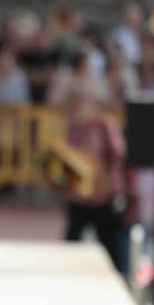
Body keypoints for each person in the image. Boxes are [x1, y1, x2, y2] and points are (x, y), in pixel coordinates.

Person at [60, 87, 131, 274]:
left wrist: (108, 179)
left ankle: (116, 276)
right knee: (72, 240)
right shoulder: (72, 126)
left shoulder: (103, 125)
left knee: (108, 242)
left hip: (102, 196)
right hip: (79, 195)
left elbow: (117, 153)